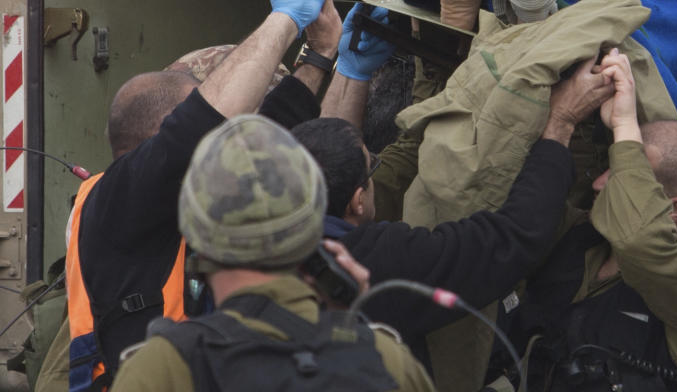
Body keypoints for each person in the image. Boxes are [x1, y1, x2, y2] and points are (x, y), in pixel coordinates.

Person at [61, 0, 342, 392]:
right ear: (158, 139)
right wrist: (283, 21)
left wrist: (320, 55)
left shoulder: (182, 198)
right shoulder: (116, 200)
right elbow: (202, 129)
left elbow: (257, 134)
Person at [292, 54, 613, 366]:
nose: (379, 170)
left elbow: (409, 153)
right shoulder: (374, 261)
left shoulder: (253, 241)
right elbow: (512, 239)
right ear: (358, 201)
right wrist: (561, 123)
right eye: (373, 166)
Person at [110, 114, 434, 392]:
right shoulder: (386, 361)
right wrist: (352, 327)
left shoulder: (162, 371)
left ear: (198, 241)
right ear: (314, 229)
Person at [491, 49, 677, 390]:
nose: (599, 182)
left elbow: (639, 240)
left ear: (673, 209)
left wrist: (625, 124)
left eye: (628, 174)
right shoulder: (580, 236)